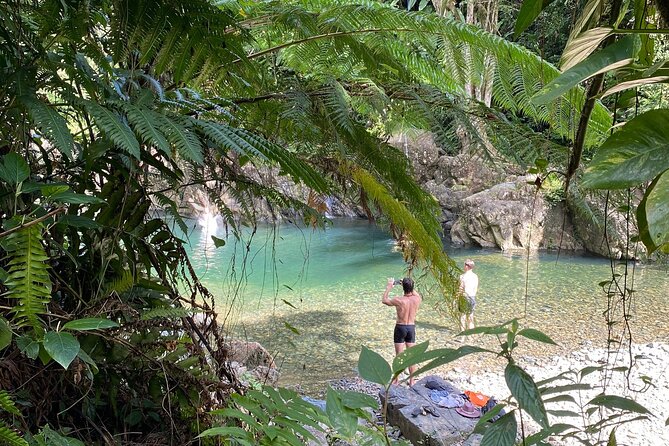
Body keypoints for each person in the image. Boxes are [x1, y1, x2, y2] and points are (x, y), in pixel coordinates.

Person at [382, 277, 421, 386]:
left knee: (399, 356)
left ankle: (396, 380)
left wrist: (389, 287)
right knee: (411, 356)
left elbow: (384, 300)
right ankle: (412, 381)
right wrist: (406, 283)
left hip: (400, 328)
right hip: (411, 328)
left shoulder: (398, 300)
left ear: (403, 287)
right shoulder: (417, 299)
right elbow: (412, 291)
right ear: (412, 288)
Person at [458, 259, 479, 331]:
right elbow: (475, 289)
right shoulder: (475, 276)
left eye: (464, 265)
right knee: (471, 316)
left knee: (462, 316)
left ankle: (462, 333)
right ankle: (471, 334)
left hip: (464, 297)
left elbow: (460, 288)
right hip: (472, 297)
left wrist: (456, 298)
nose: (463, 266)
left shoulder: (462, 276)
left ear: (467, 266)